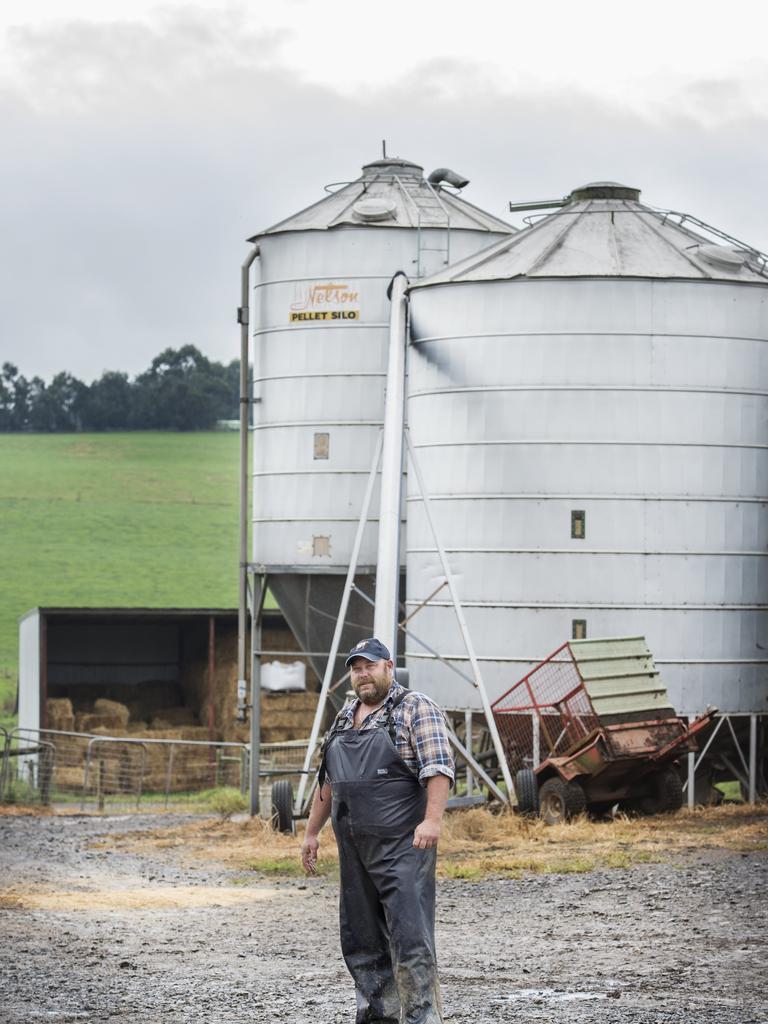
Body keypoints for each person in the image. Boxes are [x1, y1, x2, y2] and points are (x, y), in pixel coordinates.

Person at [301, 637, 454, 1024]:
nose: (362, 673)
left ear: (388, 666)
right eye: (355, 667)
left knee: (410, 938)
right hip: (355, 851)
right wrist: (311, 832)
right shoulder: (344, 716)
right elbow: (328, 782)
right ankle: (378, 1017)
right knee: (361, 939)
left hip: (404, 847)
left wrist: (432, 820)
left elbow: (438, 768)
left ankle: (421, 1018)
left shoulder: (415, 708)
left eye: (369, 665)